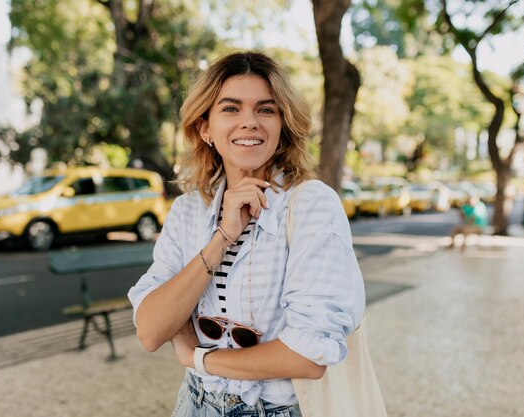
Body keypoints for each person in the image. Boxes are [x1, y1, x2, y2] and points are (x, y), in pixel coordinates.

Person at [128, 51, 365, 417]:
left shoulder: (311, 206)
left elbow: (307, 356)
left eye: (266, 110)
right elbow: (151, 330)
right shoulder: (189, 211)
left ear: (283, 125)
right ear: (205, 128)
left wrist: (198, 357)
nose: (249, 122)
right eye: (230, 109)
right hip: (195, 404)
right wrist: (222, 235)